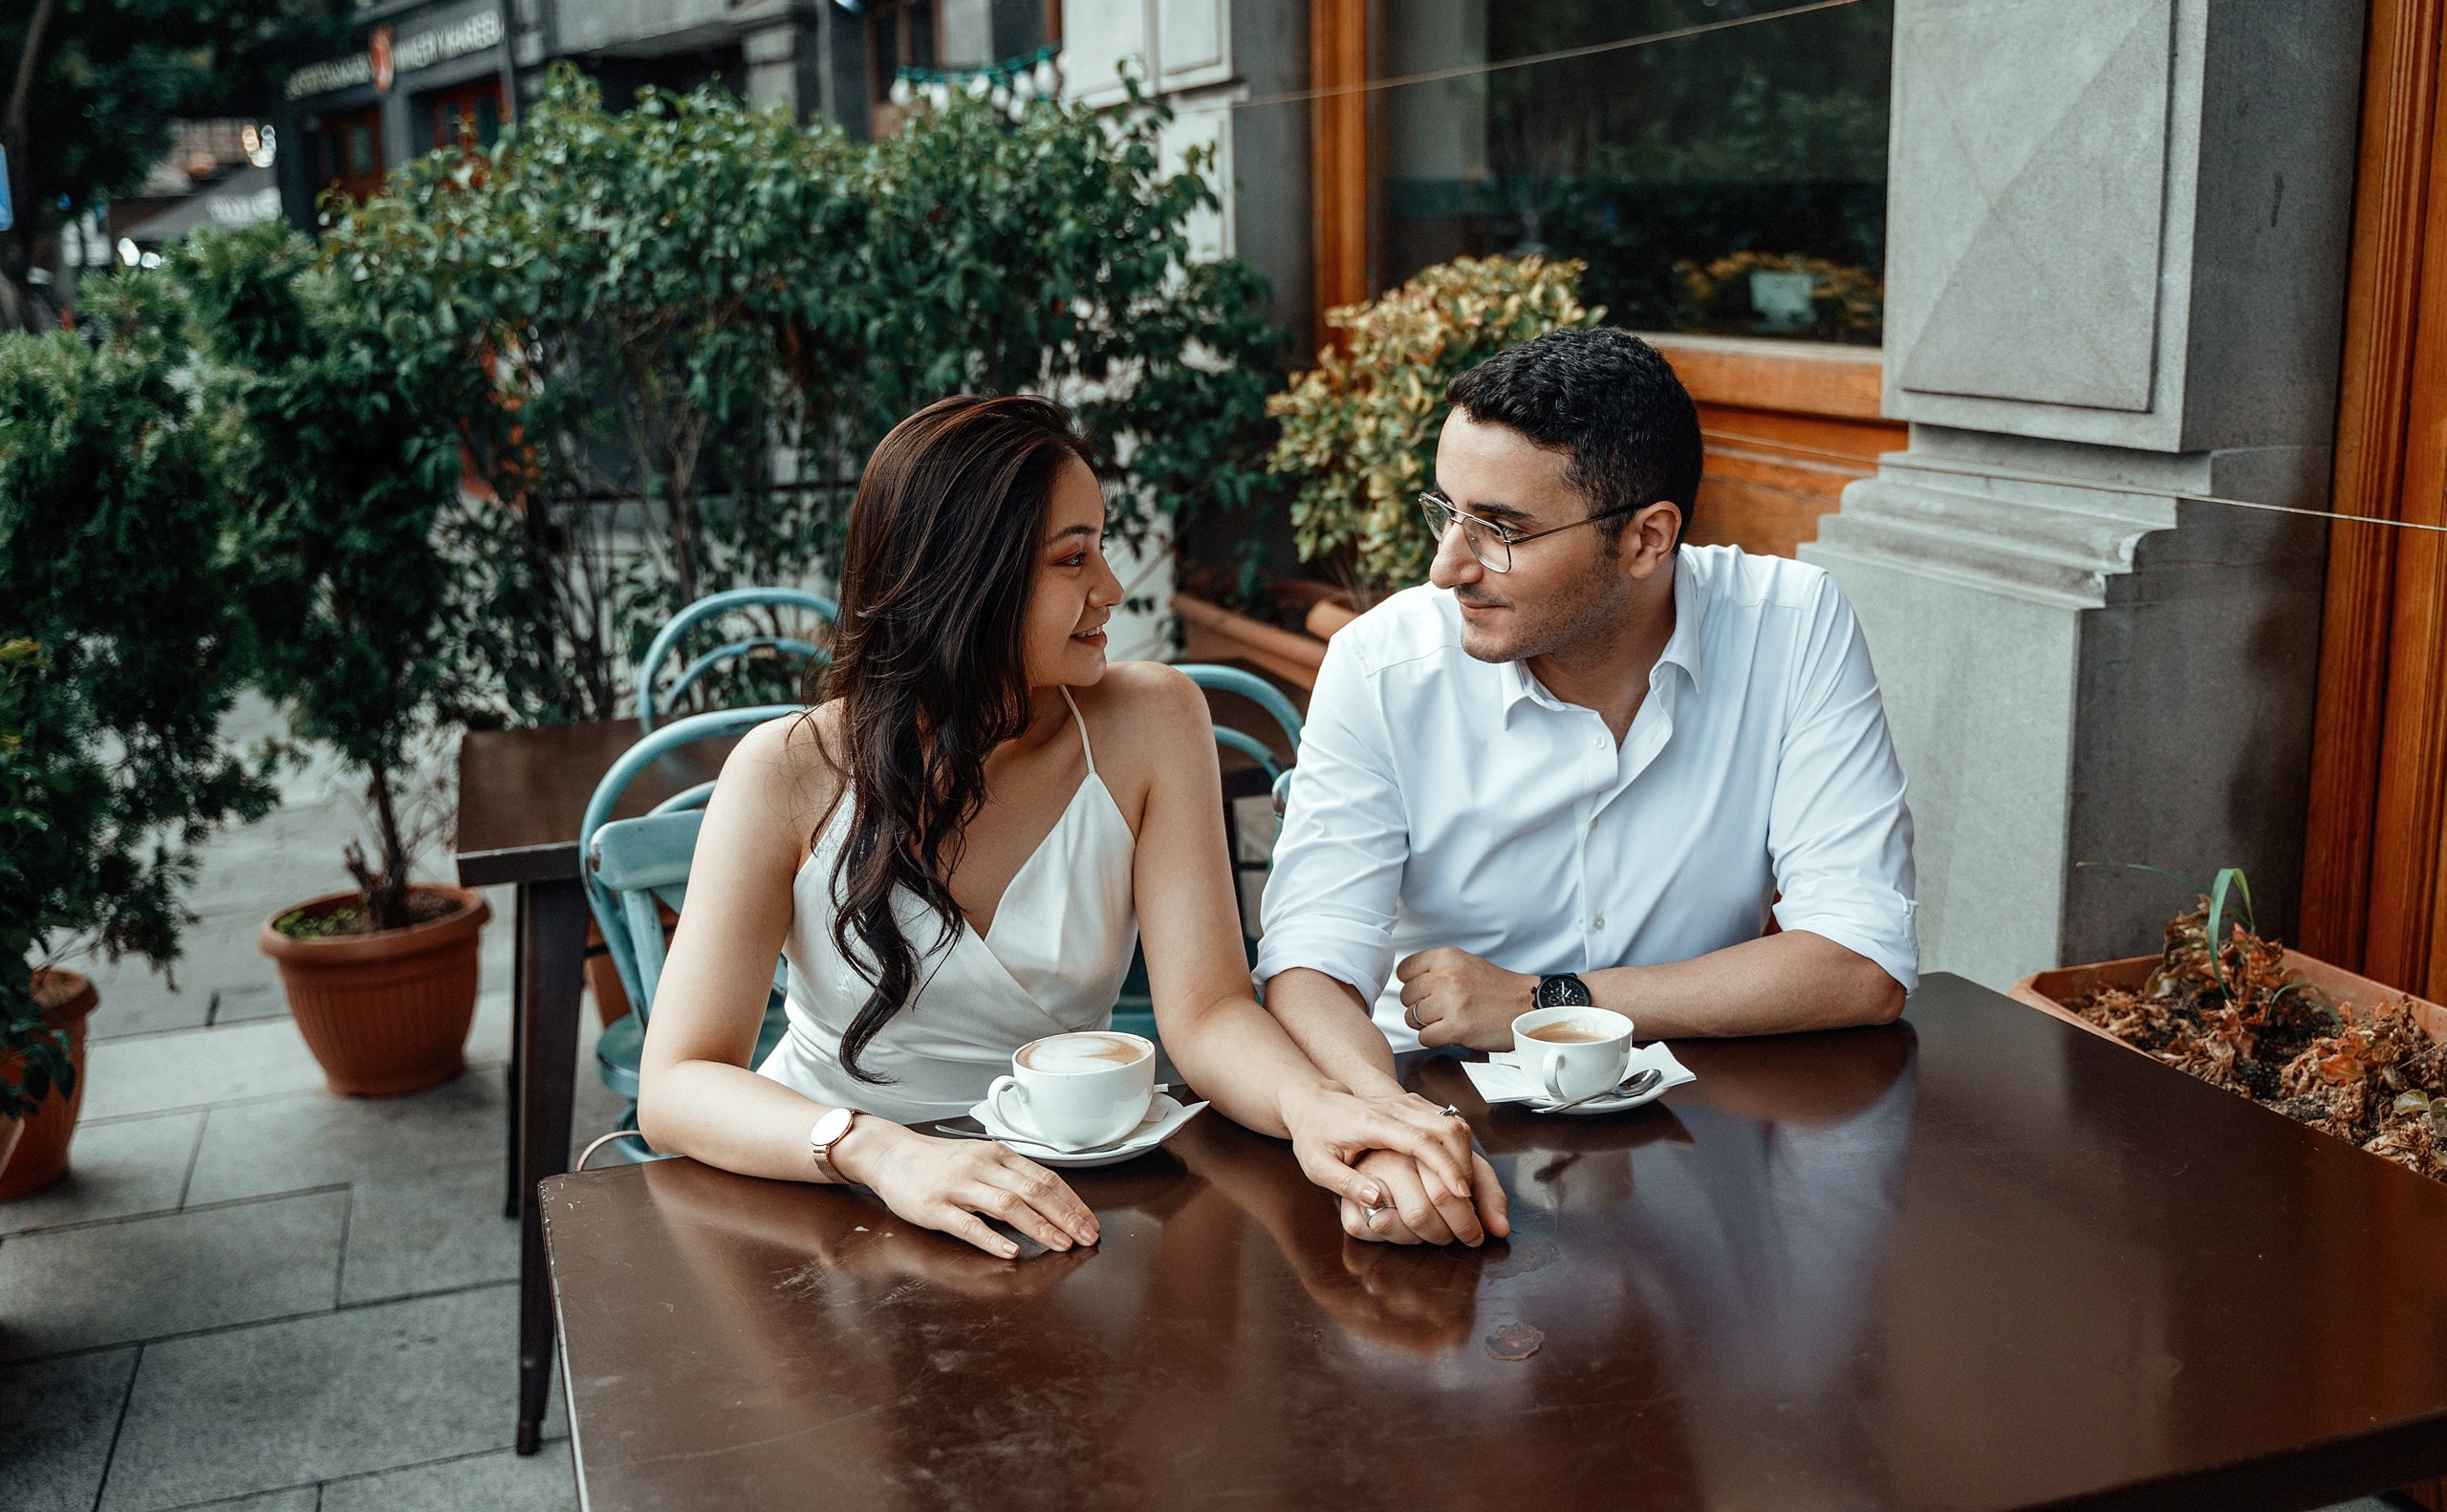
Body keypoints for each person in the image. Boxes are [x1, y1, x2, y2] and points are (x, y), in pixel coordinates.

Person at [638, 395, 1481, 1258]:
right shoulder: (785, 769)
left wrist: (1314, 1107)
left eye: (1101, 547)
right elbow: (674, 1085)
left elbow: (1209, 1010)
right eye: (1072, 558)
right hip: (825, 1199)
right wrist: (877, 1151)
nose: (1111, 589)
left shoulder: (1154, 722)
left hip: (1057, 1197)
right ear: (961, 579)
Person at [1259, 328, 1916, 1246]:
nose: (1448, 564)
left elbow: (1859, 962)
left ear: (1648, 539)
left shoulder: (1793, 627)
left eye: (1501, 530)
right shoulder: (1383, 665)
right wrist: (1385, 1119)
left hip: (1697, 1138)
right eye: (1444, 512)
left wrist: (1547, 1000)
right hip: (1440, 1133)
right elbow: (1307, 964)